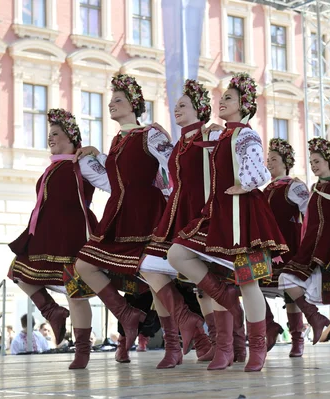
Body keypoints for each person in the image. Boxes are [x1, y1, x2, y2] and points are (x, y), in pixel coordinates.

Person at [168, 72, 287, 372]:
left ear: (244, 104)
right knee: (178, 253)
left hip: (244, 216)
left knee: (249, 283)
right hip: (220, 215)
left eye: (230, 98)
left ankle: (256, 348)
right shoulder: (220, 135)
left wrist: (244, 185)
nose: (223, 101)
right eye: (223, 98)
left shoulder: (246, 134)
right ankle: (224, 336)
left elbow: (260, 172)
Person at [72, 73, 174, 368]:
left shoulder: (150, 134)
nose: (111, 105)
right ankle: (127, 315)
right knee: (85, 264)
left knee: (155, 277)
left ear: (134, 104)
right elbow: (116, 177)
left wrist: (167, 139)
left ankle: (176, 342)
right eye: (110, 101)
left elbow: (174, 165)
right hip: (119, 212)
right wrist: (96, 156)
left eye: (118, 100)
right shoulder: (118, 140)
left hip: (145, 211)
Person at [7, 108, 110, 366]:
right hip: (46, 233)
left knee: (74, 293)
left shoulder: (82, 161)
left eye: (55, 133)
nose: (50, 138)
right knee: (19, 272)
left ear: (71, 137)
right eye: (49, 134)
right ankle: (52, 311)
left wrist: (99, 154)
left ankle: (82, 352)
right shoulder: (52, 167)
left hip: (73, 233)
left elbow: (111, 182)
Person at [139, 79, 217, 368]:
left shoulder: (209, 136)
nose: (176, 110)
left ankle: (221, 341)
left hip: (200, 213)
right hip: (175, 213)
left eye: (183, 105)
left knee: (208, 282)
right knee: (149, 266)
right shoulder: (180, 143)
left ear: (199, 109)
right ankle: (178, 335)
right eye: (176, 106)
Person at [278, 137, 330, 358]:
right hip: (312, 247)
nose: (313, 166)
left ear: (329, 160)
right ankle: (314, 317)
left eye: (317, 161)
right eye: (311, 162)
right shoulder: (313, 188)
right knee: (286, 278)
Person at [262, 138, 309, 357]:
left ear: (285, 162)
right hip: (267, 248)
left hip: (289, 245)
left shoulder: (294, 186)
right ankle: (269, 323)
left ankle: (297, 339)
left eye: (274, 159)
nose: (269, 162)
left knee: (290, 292)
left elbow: (310, 213)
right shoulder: (265, 189)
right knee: (251, 286)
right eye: (268, 159)